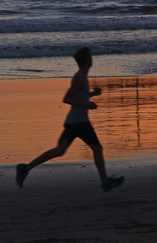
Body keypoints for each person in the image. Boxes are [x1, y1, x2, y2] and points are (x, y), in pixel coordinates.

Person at [15, 47, 123, 192]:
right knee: (97, 148)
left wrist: (91, 94)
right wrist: (87, 104)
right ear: (88, 61)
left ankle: (25, 168)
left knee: (60, 150)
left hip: (74, 122)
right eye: (91, 57)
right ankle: (105, 182)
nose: (92, 59)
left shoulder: (82, 78)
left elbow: (78, 97)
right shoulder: (79, 79)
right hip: (80, 122)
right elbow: (66, 98)